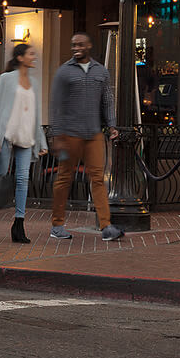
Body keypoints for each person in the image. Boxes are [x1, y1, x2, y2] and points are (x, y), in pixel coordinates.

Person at [49, 33, 123, 241]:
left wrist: (112, 125)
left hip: (93, 134)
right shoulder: (64, 72)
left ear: (89, 45)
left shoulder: (101, 71)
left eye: (80, 44)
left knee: (98, 179)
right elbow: (56, 105)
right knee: (64, 179)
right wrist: (57, 135)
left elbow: (107, 100)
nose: (76, 48)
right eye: (73, 45)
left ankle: (106, 226)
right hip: (69, 135)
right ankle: (57, 225)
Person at [0, 43, 48, 243]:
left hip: (26, 136)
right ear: (20, 58)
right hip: (6, 137)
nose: (34, 57)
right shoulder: (5, 79)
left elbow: (36, 113)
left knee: (22, 181)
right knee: (0, 179)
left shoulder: (35, 83)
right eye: (31, 54)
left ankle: (18, 225)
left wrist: (41, 140)